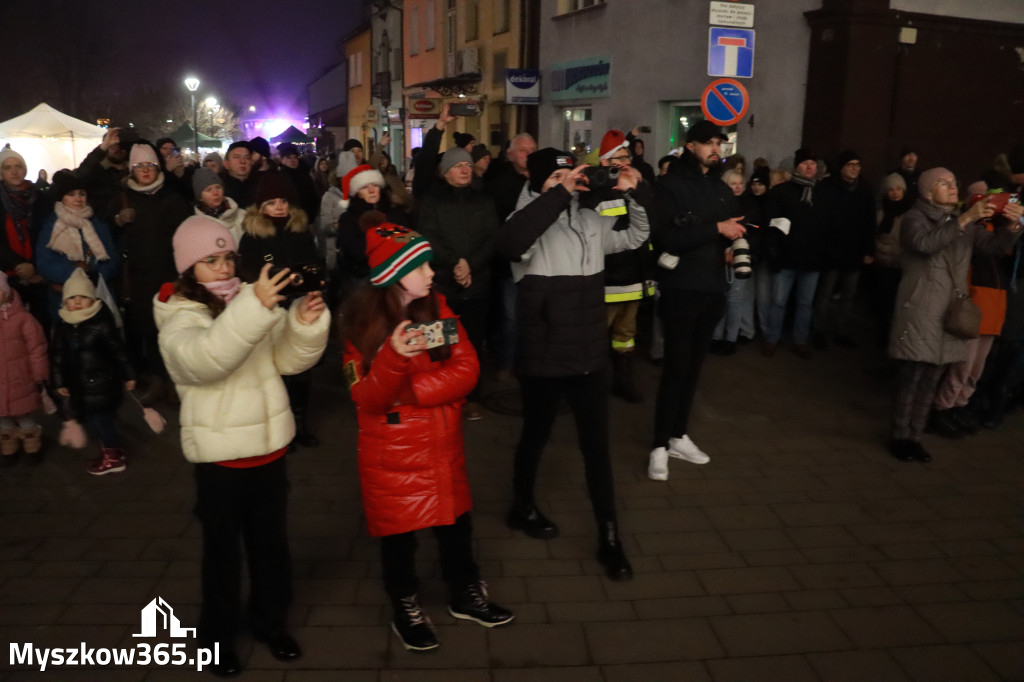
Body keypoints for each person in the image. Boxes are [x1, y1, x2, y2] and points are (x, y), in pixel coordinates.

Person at [154, 215, 329, 676]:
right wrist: (254, 306)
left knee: (272, 548)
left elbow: (285, 360)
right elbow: (205, 360)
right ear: (189, 268)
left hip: (268, 450)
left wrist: (304, 324)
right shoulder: (178, 313)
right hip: (221, 462)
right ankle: (216, 638)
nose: (223, 267)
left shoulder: (249, 300)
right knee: (222, 555)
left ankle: (270, 623)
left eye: (227, 257)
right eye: (210, 260)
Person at [340, 212, 514, 652]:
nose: (431, 273)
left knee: (456, 525)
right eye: (421, 266)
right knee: (399, 539)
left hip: (440, 445)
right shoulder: (360, 323)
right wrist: (395, 358)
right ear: (396, 273)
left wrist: (414, 391)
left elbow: (468, 369)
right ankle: (406, 607)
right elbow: (367, 399)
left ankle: (465, 593)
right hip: (391, 455)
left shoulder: (438, 308)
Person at [497, 148, 649, 581]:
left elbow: (635, 237)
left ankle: (610, 536)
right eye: (559, 175)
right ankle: (521, 506)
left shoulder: (589, 219)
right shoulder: (523, 219)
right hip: (544, 351)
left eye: (573, 175)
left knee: (597, 448)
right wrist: (556, 196)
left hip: (588, 353)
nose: (570, 181)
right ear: (540, 182)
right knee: (535, 435)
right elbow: (509, 246)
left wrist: (633, 196)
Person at [886, 168, 1022, 463]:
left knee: (933, 375)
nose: (951, 187)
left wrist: (1014, 225)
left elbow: (990, 249)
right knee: (913, 375)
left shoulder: (962, 221)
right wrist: (966, 218)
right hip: (920, 308)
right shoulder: (914, 218)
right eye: (943, 183)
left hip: (950, 310)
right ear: (926, 192)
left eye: (953, 182)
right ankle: (899, 435)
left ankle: (916, 436)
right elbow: (924, 244)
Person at [648, 121, 743, 480]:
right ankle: (659, 445)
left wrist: (735, 243)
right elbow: (665, 237)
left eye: (719, 142)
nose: (716, 148)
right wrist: (716, 229)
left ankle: (678, 435)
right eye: (708, 142)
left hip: (713, 289)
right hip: (681, 289)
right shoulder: (669, 186)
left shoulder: (720, 189)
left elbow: (735, 226)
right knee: (675, 368)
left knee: (694, 369)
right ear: (690, 147)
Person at [415, 125, 500, 420]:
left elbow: (493, 237)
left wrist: (471, 265)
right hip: (442, 285)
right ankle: (441, 393)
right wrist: (455, 264)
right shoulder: (432, 201)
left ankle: (470, 396)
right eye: (457, 166)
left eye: (467, 165)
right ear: (445, 171)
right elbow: (429, 238)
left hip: (477, 285)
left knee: (473, 343)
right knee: (441, 341)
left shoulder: (484, 200)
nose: (464, 170)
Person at [238, 172, 322, 447]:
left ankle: (299, 423)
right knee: (272, 372)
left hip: (298, 308)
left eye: (283, 201)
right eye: (272, 201)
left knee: (300, 368)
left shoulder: (300, 231)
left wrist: (313, 282)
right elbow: (248, 273)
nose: (278, 207)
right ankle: (278, 428)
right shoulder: (252, 236)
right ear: (261, 206)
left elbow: (313, 264)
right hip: (270, 310)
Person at [113, 141, 191, 398]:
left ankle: (175, 378)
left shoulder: (173, 199)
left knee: (174, 327)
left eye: (150, 165)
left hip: (169, 275)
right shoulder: (123, 199)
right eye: (139, 166)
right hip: (136, 278)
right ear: (131, 170)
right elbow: (108, 235)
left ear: (158, 169)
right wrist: (117, 220)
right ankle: (155, 377)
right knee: (144, 329)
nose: (145, 170)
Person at [587, 129, 655, 402]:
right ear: (605, 163)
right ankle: (592, 386)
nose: (625, 162)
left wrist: (639, 190)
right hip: (608, 279)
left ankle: (623, 380)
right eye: (618, 157)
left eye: (627, 156)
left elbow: (651, 222)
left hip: (635, 276)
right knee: (597, 335)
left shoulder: (638, 185)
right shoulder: (596, 191)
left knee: (626, 335)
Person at [50, 269, 134, 475]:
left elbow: (119, 352)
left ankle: (113, 456)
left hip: (103, 385)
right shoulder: (64, 325)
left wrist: (129, 374)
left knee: (101, 421)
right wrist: (59, 381)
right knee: (98, 421)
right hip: (79, 387)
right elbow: (58, 356)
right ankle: (113, 449)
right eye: (72, 298)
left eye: (83, 297)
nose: (77, 302)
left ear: (92, 299)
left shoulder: (101, 324)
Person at [762, 148, 828, 358]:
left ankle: (800, 341)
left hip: (812, 259)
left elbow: (828, 227)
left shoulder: (822, 193)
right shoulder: (782, 192)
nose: (809, 167)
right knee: (778, 301)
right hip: (786, 257)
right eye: (805, 163)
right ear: (796, 166)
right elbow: (772, 224)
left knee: (805, 303)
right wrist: (774, 251)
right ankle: (772, 339)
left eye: (813, 163)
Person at [35, 170, 119, 322]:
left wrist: (95, 276)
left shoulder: (97, 223)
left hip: (97, 295)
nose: (78, 199)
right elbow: (44, 261)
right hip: (65, 297)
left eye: (81, 194)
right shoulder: (52, 225)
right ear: (62, 198)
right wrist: (75, 275)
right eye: (71, 194)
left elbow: (112, 257)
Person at [812, 150, 876, 349]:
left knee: (848, 295)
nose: (855, 168)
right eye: (850, 164)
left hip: (854, 251)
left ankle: (842, 330)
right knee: (825, 292)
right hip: (832, 250)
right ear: (841, 167)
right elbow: (820, 220)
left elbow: (870, 222)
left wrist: (869, 250)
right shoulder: (827, 188)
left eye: (857, 164)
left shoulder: (865, 191)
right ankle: (818, 330)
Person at [335, 163, 412, 302]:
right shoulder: (349, 218)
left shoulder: (396, 213)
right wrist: (388, 242)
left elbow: (406, 241)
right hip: (362, 281)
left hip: (396, 279)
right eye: (365, 187)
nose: (371, 190)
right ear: (358, 192)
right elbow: (356, 250)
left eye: (375, 185)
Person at [0, 272, 48, 467]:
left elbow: (37, 348)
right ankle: (9, 449)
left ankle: (32, 446)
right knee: (3, 420)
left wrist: (39, 374)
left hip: (20, 377)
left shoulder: (22, 319)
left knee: (25, 417)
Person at [710, 167, 758, 355]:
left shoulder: (750, 205)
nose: (738, 187)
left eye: (740, 184)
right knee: (720, 298)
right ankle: (716, 336)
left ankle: (730, 338)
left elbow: (756, 228)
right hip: (720, 256)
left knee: (735, 300)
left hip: (741, 256)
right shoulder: (718, 205)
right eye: (733, 183)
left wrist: (741, 242)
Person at [1, 148, 48, 329]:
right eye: (8, 167)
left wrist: (35, 267)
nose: (14, 171)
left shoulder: (40, 199)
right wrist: (18, 265)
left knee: (40, 329)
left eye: (18, 166)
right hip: (6, 275)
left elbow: (46, 235)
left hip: (38, 275)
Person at [192, 167, 245, 245]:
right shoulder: (194, 227)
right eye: (209, 190)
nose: (215, 193)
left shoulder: (243, 216)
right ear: (200, 197)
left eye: (218, 187)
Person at [277, 143, 319, 224]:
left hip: (306, 221)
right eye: (288, 157)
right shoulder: (279, 178)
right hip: (287, 222)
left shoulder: (305, 175)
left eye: (295, 157)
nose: (292, 160)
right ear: (282, 160)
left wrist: (310, 216)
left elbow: (313, 196)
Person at [220, 141, 258, 209]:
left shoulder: (260, 188)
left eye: (247, 157)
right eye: (236, 157)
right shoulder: (220, 190)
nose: (242, 161)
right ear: (226, 164)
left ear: (252, 162)